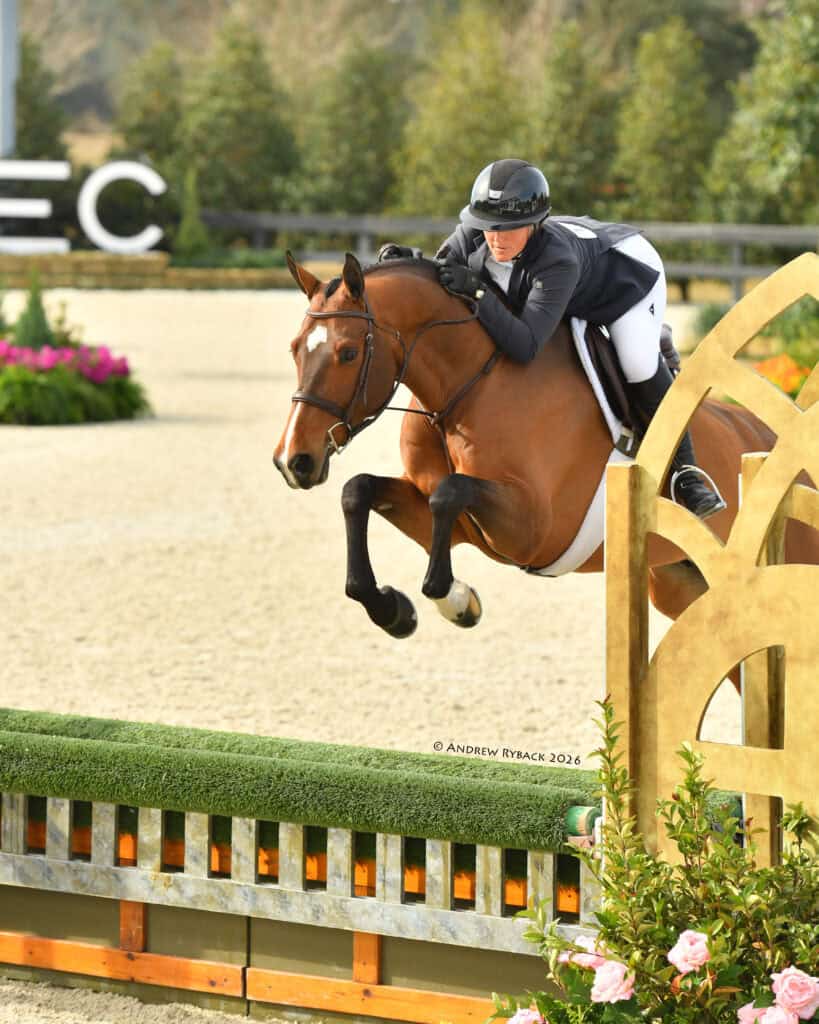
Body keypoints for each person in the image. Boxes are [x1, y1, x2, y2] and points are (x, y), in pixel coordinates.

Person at [378, 158, 726, 520]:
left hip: (626, 281)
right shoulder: (473, 233)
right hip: (582, 264)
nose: (495, 239)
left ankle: (687, 475)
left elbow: (525, 345)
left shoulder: (556, 261)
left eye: (507, 229)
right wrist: (413, 262)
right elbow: (443, 274)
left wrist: (479, 293)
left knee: (636, 361)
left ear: (534, 224)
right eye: (487, 228)